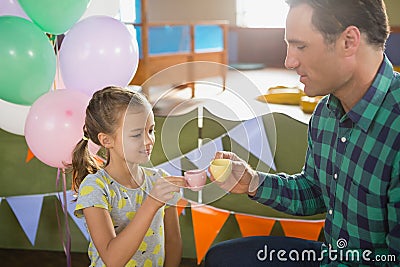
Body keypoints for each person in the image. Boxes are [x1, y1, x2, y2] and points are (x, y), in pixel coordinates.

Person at [206, 0, 400, 266]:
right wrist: (252, 182)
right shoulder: (325, 113)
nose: (289, 61)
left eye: (301, 46)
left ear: (349, 41)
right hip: (331, 257)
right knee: (222, 258)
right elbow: (316, 191)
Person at [71, 86, 186, 267]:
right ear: (106, 140)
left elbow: (173, 242)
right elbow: (112, 259)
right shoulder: (95, 188)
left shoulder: (159, 180)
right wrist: (151, 204)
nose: (149, 141)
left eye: (151, 130)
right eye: (136, 134)